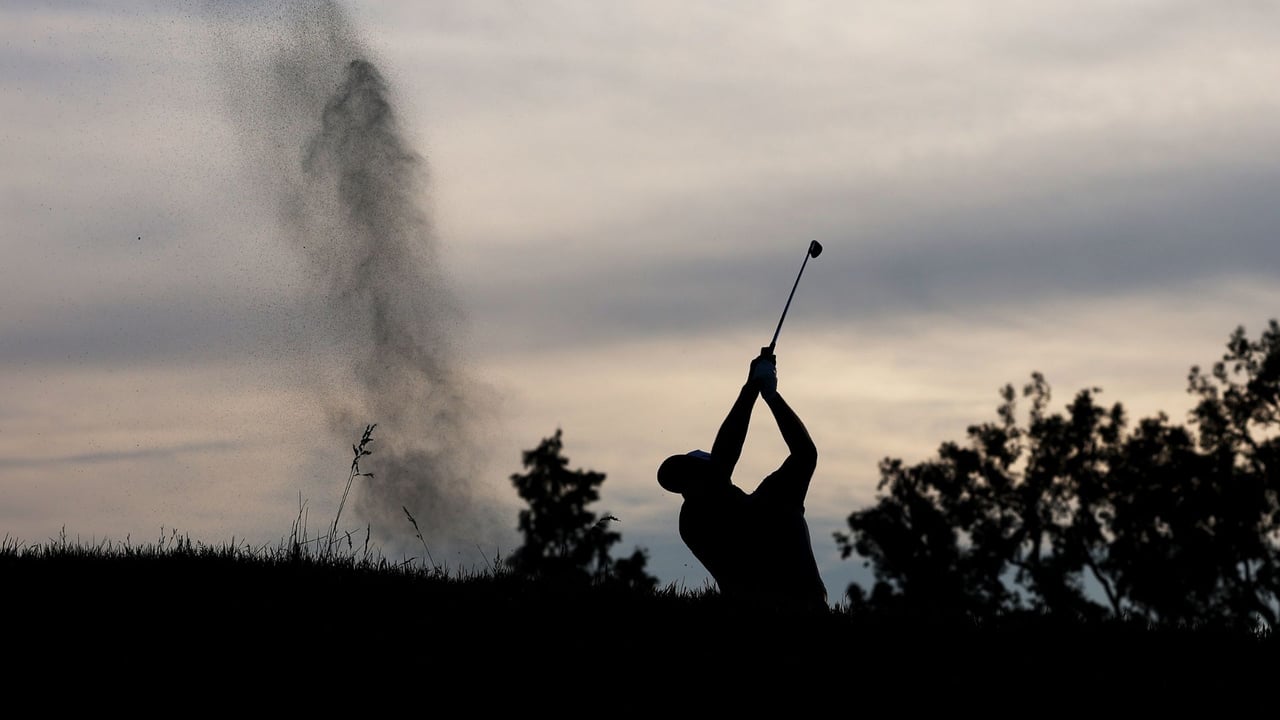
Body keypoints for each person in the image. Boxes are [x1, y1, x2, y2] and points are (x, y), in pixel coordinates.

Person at [657, 351, 829, 613]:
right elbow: (722, 463)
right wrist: (752, 389)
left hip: (806, 614)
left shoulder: (770, 502)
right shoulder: (695, 519)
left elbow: (805, 454)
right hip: (758, 623)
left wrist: (770, 394)